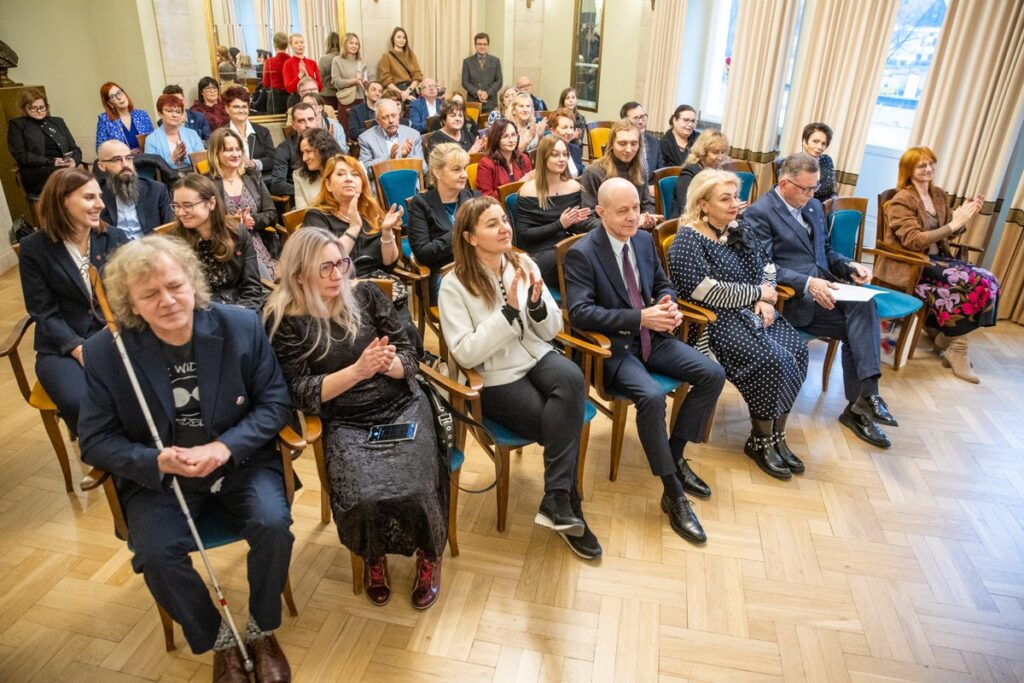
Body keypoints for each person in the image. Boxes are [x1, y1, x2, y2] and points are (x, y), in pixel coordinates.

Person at [78, 235, 294, 681]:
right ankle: (219, 638)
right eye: (150, 294)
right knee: (156, 555)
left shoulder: (240, 325)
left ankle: (259, 626)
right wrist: (154, 460)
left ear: (193, 283)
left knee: (273, 524)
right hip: (163, 478)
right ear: (131, 304)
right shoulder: (106, 352)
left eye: (175, 285)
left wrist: (224, 447)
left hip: (239, 462)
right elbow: (95, 440)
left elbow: (275, 405)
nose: (168, 300)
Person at [265, 227, 447, 608]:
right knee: (364, 498)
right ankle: (373, 555)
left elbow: (411, 358)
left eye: (342, 263)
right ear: (299, 275)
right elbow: (300, 391)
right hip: (346, 419)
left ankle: (429, 555)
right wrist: (359, 371)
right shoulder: (288, 322)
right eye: (325, 267)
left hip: (400, 403)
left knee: (415, 488)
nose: (338, 275)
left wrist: (390, 365)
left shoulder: (364, 295)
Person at [564, 177, 726, 544]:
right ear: (601, 212)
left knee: (713, 373)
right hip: (616, 349)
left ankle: (675, 454)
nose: (633, 217)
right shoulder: (583, 252)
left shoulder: (642, 239)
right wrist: (640, 318)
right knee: (651, 397)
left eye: (637, 207)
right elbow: (580, 313)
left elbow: (661, 283)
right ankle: (672, 494)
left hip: (655, 337)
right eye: (623, 211)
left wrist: (667, 304)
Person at [440, 196, 601, 559]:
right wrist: (510, 312)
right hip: (494, 376)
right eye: (493, 224)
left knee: (573, 378)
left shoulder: (523, 262)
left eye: (504, 220)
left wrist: (535, 306)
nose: (505, 228)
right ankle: (567, 504)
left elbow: (552, 330)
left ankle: (556, 500)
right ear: (470, 237)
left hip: (535, 355)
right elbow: (464, 352)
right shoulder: (455, 284)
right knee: (560, 422)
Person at [746, 153, 897, 448]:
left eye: (815, 188)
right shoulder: (760, 213)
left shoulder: (814, 206)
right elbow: (762, 266)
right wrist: (806, 283)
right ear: (784, 183)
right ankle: (862, 407)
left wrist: (849, 266)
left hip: (826, 290)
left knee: (865, 306)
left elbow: (824, 252)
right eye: (805, 189)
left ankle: (865, 399)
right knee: (862, 326)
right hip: (791, 302)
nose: (812, 195)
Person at [669, 169, 809, 479]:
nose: (735, 204)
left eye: (735, 196)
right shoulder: (688, 239)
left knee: (798, 351)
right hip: (713, 323)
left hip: (752, 312)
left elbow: (768, 265)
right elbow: (703, 291)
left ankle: (775, 436)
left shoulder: (738, 228)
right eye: (725, 198)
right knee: (774, 359)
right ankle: (759, 440)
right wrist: (757, 293)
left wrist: (765, 298)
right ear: (703, 204)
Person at [19, 167, 128, 437]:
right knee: (81, 402)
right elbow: (44, 313)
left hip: (114, 334)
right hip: (62, 346)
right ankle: (102, 459)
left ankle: (138, 457)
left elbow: (130, 294)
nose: (100, 204)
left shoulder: (114, 237)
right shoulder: (34, 249)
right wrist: (78, 349)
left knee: (140, 390)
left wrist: (117, 326)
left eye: (100, 197)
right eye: (89, 198)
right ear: (63, 200)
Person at [881, 146, 999, 383]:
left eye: (931, 163)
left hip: (938, 259)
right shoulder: (901, 200)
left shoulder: (938, 195)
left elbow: (949, 231)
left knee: (988, 279)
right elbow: (914, 241)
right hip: (914, 263)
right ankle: (956, 347)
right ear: (909, 170)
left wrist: (964, 218)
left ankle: (951, 340)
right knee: (967, 281)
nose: (928, 169)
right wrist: (954, 224)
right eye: (921, 165)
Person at [302, 154, 420, 353]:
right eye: (341, 174)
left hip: (378, 286)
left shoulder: (372, 213)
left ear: (363, 184)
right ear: (329, 185)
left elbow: (389, 263)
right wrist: (354, 227)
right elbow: (328, 262)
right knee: (377, 338)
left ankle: (410, 367)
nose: (349, 178)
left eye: (355, 175)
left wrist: (386, 231)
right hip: (338, 289)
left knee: (406, 330)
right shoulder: (316, 217)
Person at [169, 173, 266, 310]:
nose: (180, 212)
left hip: (241, 305)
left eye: (188, 205)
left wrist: (242, 314)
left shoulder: (237, 233)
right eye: (176, 206)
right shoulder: (174, 243)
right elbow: (182, 295)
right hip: (202, 311)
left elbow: (251, 286)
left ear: (211, 203)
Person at [515, 135, 591, 286]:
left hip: (566, 243)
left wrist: (577, 221)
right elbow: (524, 235)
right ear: (543, 157)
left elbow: (573, 228)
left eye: (564, 154)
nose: (562, 159)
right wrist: (560, 224)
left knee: (593, 252)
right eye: (555, 155)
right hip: (539, 252)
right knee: (577, 262)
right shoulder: (529, 190)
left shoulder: (573, 186)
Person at [408, 143, 480, 301]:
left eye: (464, 168)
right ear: (437, 172)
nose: (464, 175)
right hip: (443, 273)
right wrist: (457, 234)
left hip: (478, 267)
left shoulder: (474, 198)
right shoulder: (420, 204)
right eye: (456, 169)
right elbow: (423, 253)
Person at [208, 128, 281, 271]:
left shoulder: (252, 176)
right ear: (216, 153)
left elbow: (272, 214)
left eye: (238, 149)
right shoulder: (207, 183)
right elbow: (206, 222)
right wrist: (235, 223)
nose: (235, 154)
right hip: (228, 248)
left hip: (262, 244)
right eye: (228, 150)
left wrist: (252, 220)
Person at [578, 120, 659, 231]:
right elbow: (587, 221)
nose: (629, 149)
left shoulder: (640, 170)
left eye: (634, 143)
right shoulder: (593, 172)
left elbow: (647, 204)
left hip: (635, 232)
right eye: (622, 143)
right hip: (605, 236)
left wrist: (647, 218)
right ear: (611, 144)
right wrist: (626, 224)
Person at [7, 88, 82, 196]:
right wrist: (51, 161)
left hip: (65, 168)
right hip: (38, 172)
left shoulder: (58, 122)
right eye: (33, 108)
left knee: (85, 182)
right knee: (71, 183)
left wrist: (74, 161)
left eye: (42, 107)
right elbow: (21, 156)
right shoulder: (17, 125)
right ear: (24, 108)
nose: (39, 111)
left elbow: (75, 149)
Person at [97, 140, 174, 239]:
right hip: (115, 251)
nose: (125, 165)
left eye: (128, 158)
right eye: (117, 160)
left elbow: (170, 228)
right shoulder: (97, 195)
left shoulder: (156, 190)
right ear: (102, 166)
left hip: (152, 247)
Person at [668, 129, 730, 219]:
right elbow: (687, 206)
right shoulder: (689, 173)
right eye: (715, 152)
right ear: (703, 152)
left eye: (723, 152)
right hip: (687, 222)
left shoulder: (719, 171)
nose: (720, 157)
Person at [357, 97, 424, 180]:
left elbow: (423, 168)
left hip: (410, 184)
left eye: (393, 115)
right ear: (377, 120)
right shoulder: (366, 138)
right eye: (385, 117)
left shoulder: (413, 134)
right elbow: (364, 170)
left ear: (399, 116)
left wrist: (404, 158)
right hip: (381, 187)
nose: (391, 121)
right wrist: (389, 158)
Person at [222, 85, 276, 186]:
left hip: (261, 182)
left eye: (244, 107)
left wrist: (253, 164)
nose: (241, 111)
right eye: (236, 107)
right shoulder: (221, 134)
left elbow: (272, 158)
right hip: (231, 182)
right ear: (227, 109)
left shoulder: (263, 132)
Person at [145, 94, 206, 171]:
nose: (174, 115)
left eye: (178, 111)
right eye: (169, 111)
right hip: (167, 180)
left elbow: (202, 161)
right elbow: (151, 170)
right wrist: (173, 159)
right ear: (160, 113)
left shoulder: (192, 134)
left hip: (194, 178)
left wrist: (185, 157)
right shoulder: (151, 139)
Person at [270, 102, 319, 197]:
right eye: (301, 121)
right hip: (300, 199)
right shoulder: (284, 148)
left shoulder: (327, 141)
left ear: (316, 120)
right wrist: (306, 191)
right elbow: (277, 185)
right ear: (293, 125)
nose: (308, 124)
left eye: (310, 119)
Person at [477, 120, 533, 199]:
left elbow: (532, 187)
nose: (511, 140)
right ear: (496, 139)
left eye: (513, 135)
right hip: (499, 209)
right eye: (505, 136)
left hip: (524, 204)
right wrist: (518, 184)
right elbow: (486, 198)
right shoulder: (486, 164)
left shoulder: (524, 158)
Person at [95, 82, 155, 152]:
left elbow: (154, 140)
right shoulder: (105, 120)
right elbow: (100, 149)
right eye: (113, 96)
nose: (119, 97)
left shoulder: (142, 115)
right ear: (109, 103)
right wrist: (126, 154)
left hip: (146, 159)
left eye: (119, 92)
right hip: (122, 161)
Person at [295, 127, 342, 209]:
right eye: (302, 153)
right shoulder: (300, 176)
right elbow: (302, 213)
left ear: (324, 149)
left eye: (308, 151)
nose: (304, 158)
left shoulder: (350, 171)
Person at [331, 32, 368, 134]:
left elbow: (366, 80)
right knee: (346, 131)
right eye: (351, 43)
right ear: (345, 44)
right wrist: (354, 81)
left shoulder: (361, 61)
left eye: (356, 44)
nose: (354, 46)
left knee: (360, 132)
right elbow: (336, 82)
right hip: (346, 101)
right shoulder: (337, 60)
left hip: (360, 100)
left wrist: (366, 82)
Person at [795, 123, 839, 204]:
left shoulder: (826, 160)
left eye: (823, 144)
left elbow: (833, 192)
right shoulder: (794, 163)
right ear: (804, 141)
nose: (819, 147)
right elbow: (794, 197)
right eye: (815, 141)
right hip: (803, 210)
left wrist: (834, 206)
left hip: (825, 211)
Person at [377, 27, 422, 101]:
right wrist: (401, 93)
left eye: (404, 38)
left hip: (410, 90)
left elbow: (417, 75)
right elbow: (385, 79)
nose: (401, 40)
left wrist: (408, 91)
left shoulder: (411, 55)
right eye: (398, 37)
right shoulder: (386, 56)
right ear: (393, 39)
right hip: (395, 91)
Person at [462, 33, 503, 113]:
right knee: (472, 125)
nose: (482, 46)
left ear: (488, 45)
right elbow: (464, 82)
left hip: (490, 102)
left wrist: (487, 93)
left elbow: (499, 81)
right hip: (473, 102)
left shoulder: (495, 61)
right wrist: (477, 92)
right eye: (479, 44)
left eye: (485, 44)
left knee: (490, 125)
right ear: (475, 45)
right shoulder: (467, 61)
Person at [620, 102, 660, 183]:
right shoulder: (620, 144)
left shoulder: (654, 142)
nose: (641, 122)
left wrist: (655, 188)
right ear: (625, 121)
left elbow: (661, 172)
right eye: (636, 118)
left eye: (643, 117)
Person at [283, 33, 322, 108]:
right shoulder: (288, 63)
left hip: (313, 99)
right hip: (296, 100)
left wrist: (309, 78)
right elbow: (288, 88)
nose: (300, 45)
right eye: (296, 43)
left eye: (302, 42)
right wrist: (300, 75)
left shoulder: (312, 63)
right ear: (291, 46)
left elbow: (320, 86)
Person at [546, 108, 584, 177]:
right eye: (564, 128)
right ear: (552, 130)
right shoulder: (546, 151)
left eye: (571, 127)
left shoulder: (575, 149)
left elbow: (581, 172)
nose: (569, 132)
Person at [262, 32, 291, 114]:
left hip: (275, 97)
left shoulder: (270, 61)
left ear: (274, 45)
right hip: (290, 96)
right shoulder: (292, 61)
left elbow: (265, 83)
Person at [318, 32, 341, 108]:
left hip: (326, 95)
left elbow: (319, 79)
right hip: (341, 95)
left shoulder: (324, 59)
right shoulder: (343, 58)